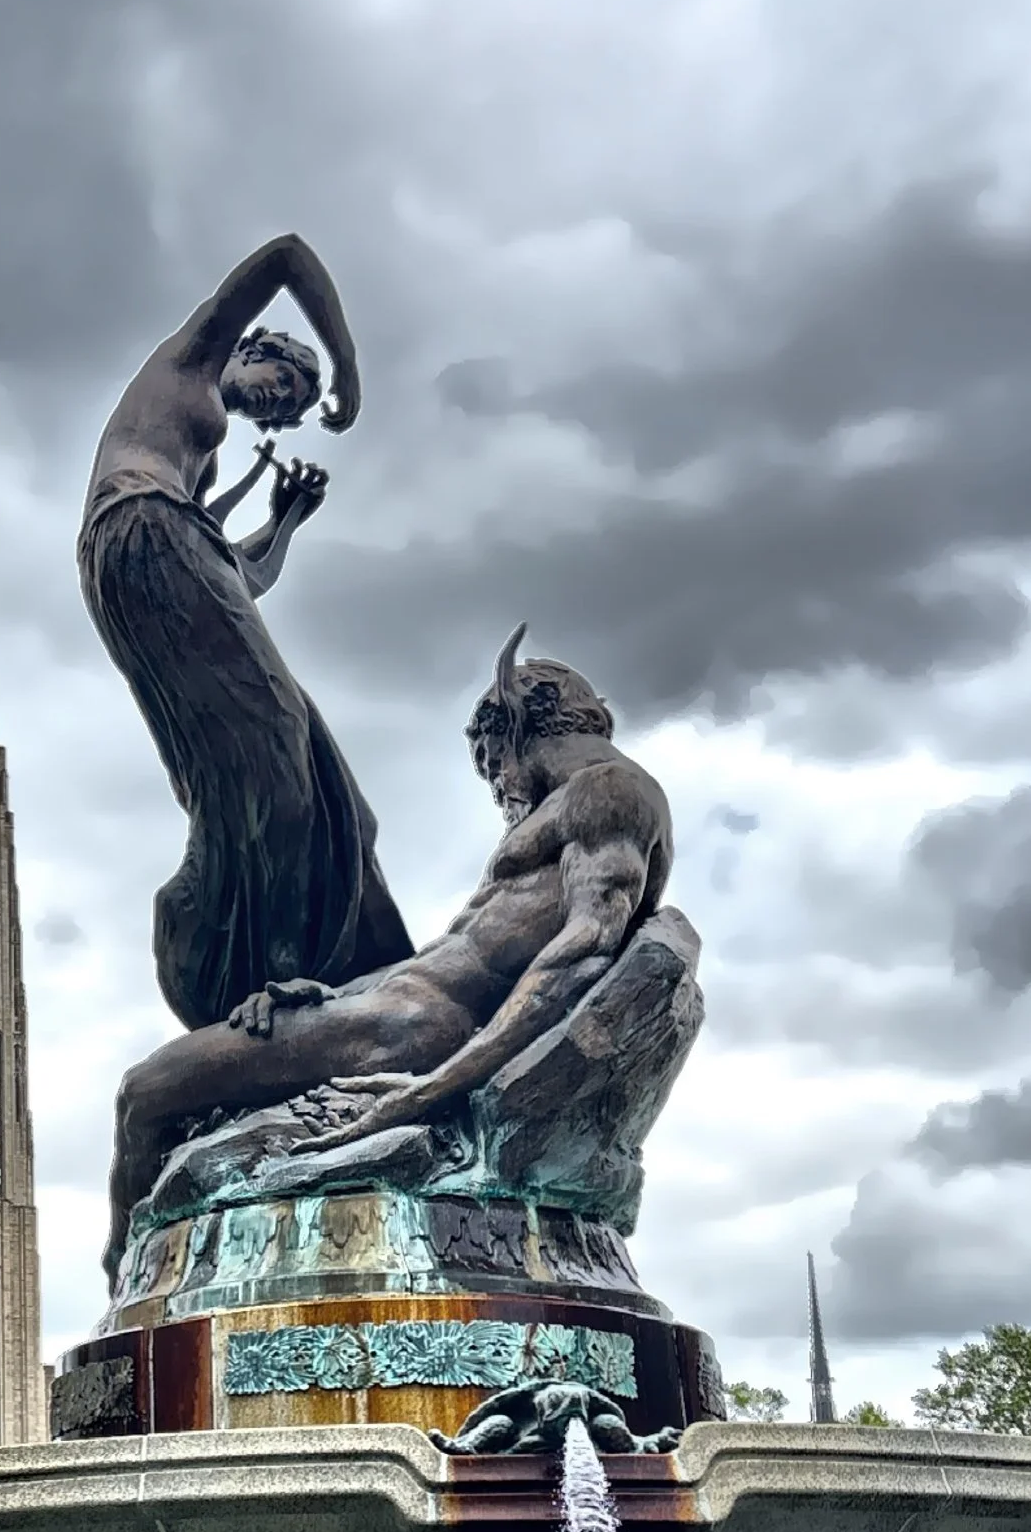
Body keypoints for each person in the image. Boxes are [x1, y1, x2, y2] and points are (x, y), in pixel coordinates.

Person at [107, 630, 673, 1262]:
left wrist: (428, 1091)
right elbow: (457, 956)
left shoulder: (608, 794)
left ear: (514, 723)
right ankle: (144, 1286)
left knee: (145, 1096)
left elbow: (579, 959)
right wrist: (328, 994)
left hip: (408, 1031)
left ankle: (129, 1284)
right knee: (157, 1101)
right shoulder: (577, 805)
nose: (495, 784)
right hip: (390, 1009)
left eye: (491, 763)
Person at [79, 235, 411, 1035]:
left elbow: (236, 582)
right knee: (277, 731)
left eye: (289, 408)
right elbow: (288, 256)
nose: (279, 405)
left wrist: (286, 521)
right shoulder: (190, 361)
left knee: (309, 775)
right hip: (140, 524)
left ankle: (237, 942)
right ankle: (280, 973)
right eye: (283, 382)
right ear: (254, 347)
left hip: (149, 549)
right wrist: (347, 366)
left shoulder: (198, 473)